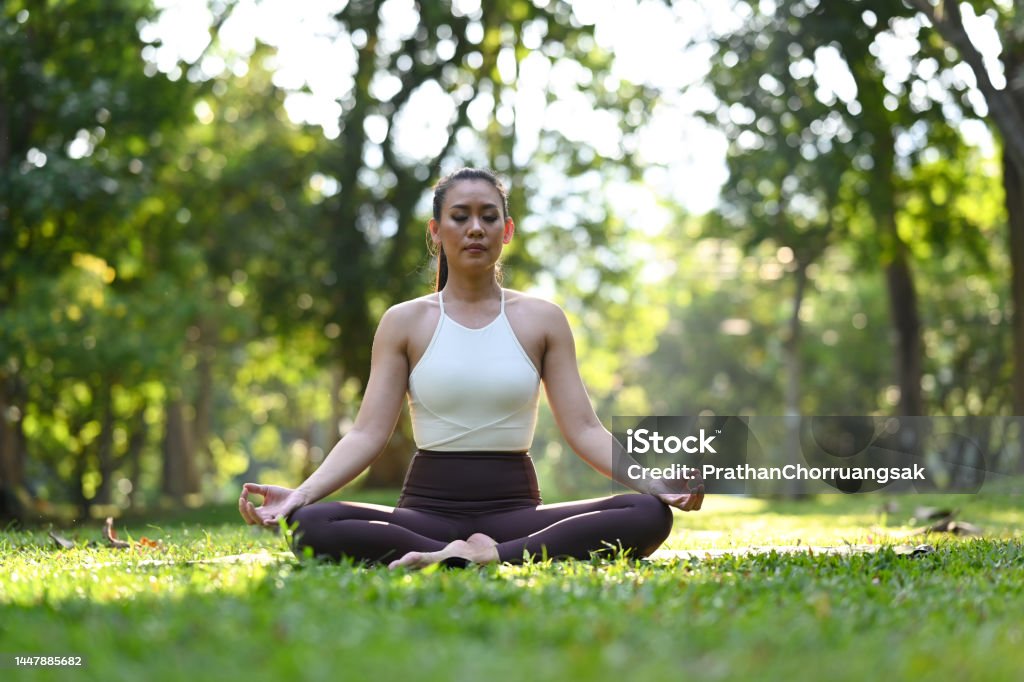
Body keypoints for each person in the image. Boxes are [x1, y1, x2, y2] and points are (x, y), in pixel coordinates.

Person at [238, 167, 704, 569]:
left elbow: (584, 429)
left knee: (646, 514)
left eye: (488, 216)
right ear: (436, 231)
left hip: (515, 511)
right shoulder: (405, 321)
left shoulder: (543, 320)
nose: (475, 228)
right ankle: (462, 549)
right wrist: (301, 494)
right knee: (310, 524)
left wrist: (656, 483)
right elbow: (366, 435)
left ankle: (486, 554)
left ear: (507, 231)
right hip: (426, 512)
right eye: (460, 217)